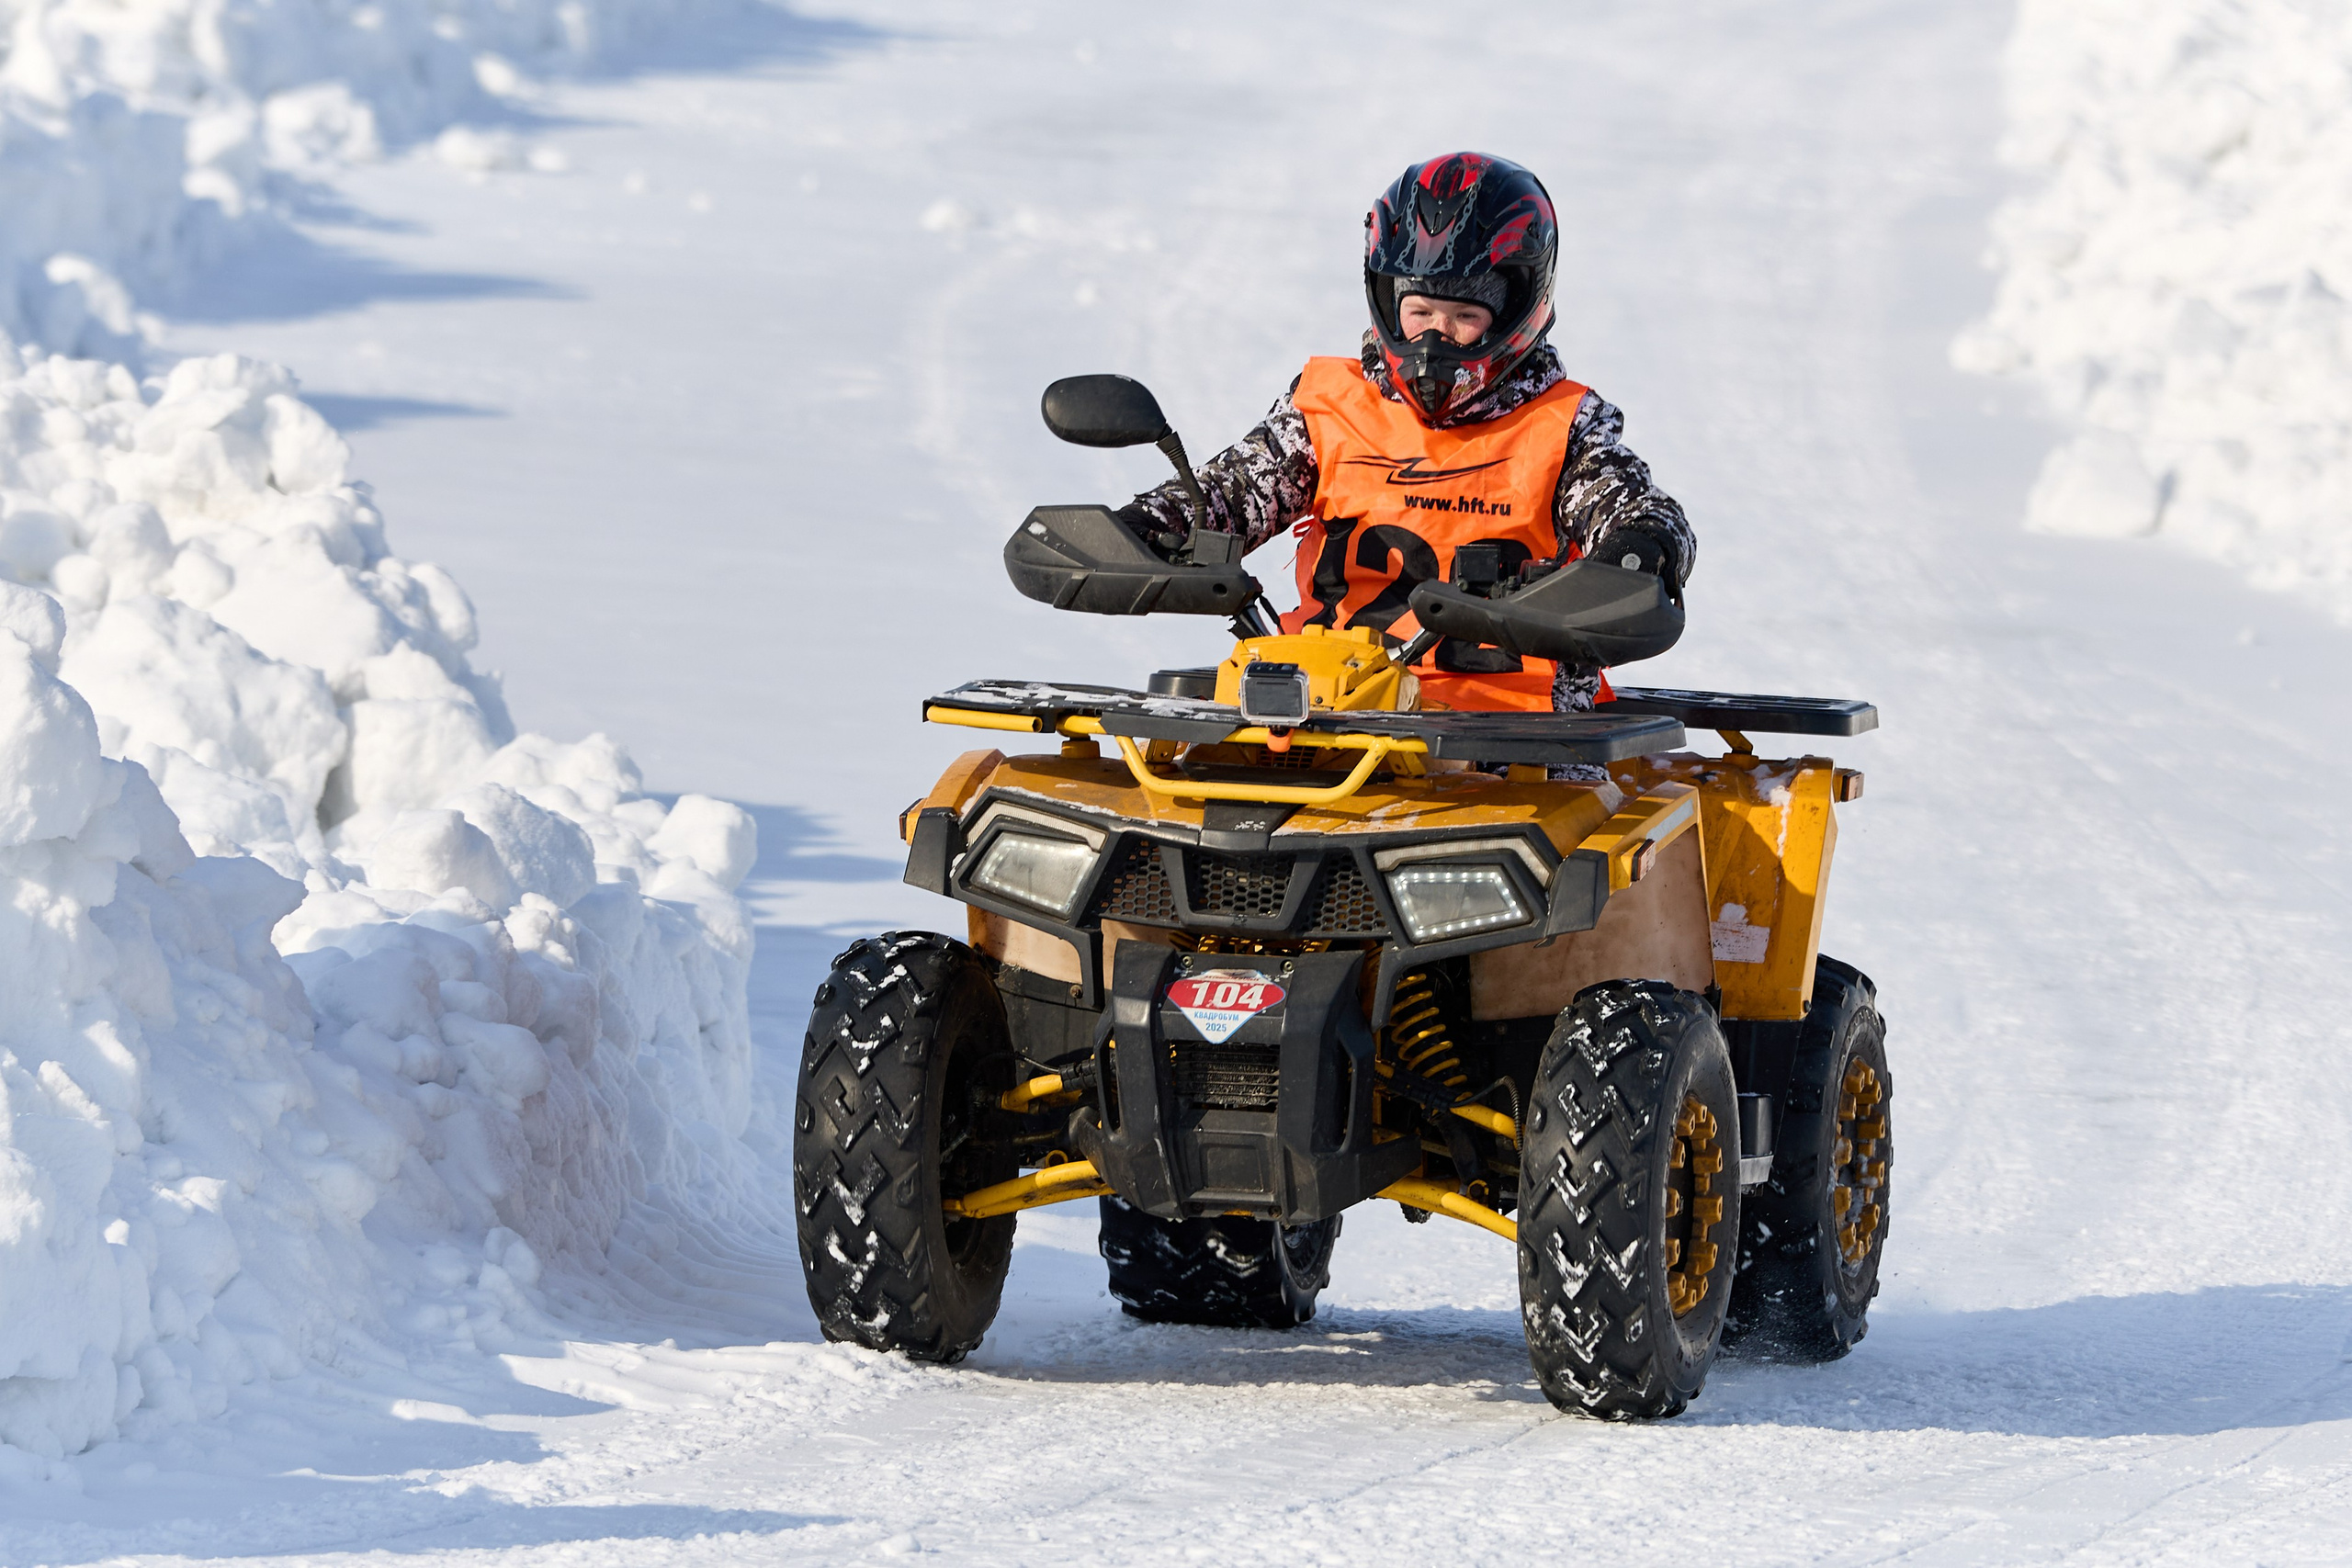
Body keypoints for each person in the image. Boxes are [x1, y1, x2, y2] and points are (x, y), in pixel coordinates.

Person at [1120, 151, 1693, 714]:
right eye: (1420, 313)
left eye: (1465, 317)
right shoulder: (1328, 411)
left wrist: (1637, 550)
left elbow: (1638, 509)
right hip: (1328, 713)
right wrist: (1145, 527)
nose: (1435, 338)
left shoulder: (1563, 429)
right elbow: (1235, 491)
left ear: (1516, 314)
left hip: (1511, 733)